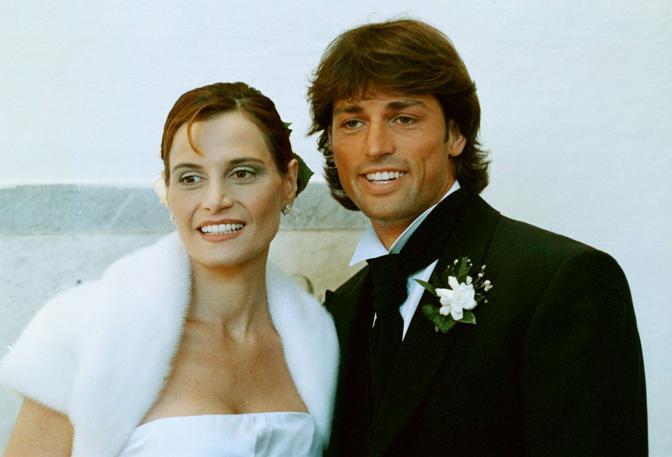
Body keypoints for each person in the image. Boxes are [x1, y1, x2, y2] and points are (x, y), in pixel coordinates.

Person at [308, 19, 647, 456]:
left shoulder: (563, 280)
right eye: (353, 122)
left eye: (403, 118)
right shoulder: (340, 310)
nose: (375, 147)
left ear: (455, 134)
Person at [0, 82, 338, 457]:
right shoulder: (88, 331)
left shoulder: (319, 343)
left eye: (242, 173)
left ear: (288, 182)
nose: (215, 200)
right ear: (168, 191)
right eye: (191, 178)